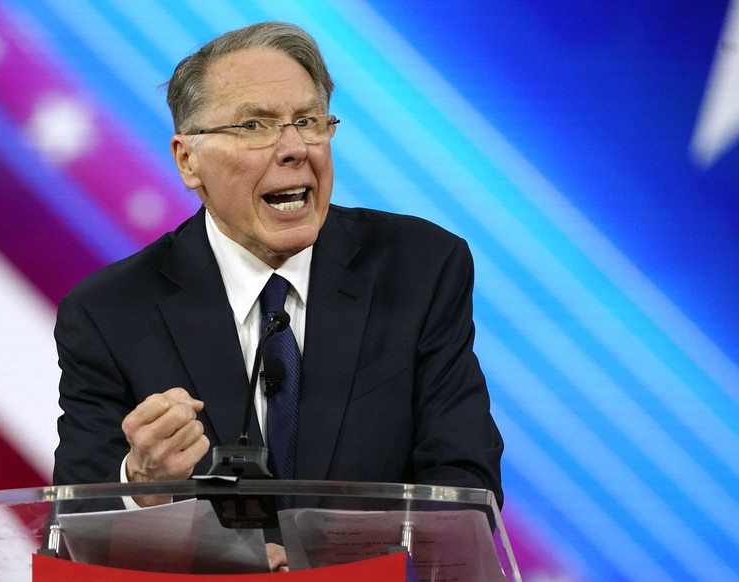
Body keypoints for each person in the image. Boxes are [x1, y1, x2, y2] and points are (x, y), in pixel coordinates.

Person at [52, 20, 503, 552]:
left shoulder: (420, 267)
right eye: (254, 126)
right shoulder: (110, 312)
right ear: (188, 160)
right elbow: (74, 529)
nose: (294, 148)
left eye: (308, 121)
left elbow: (462, 484)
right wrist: (142, 485)